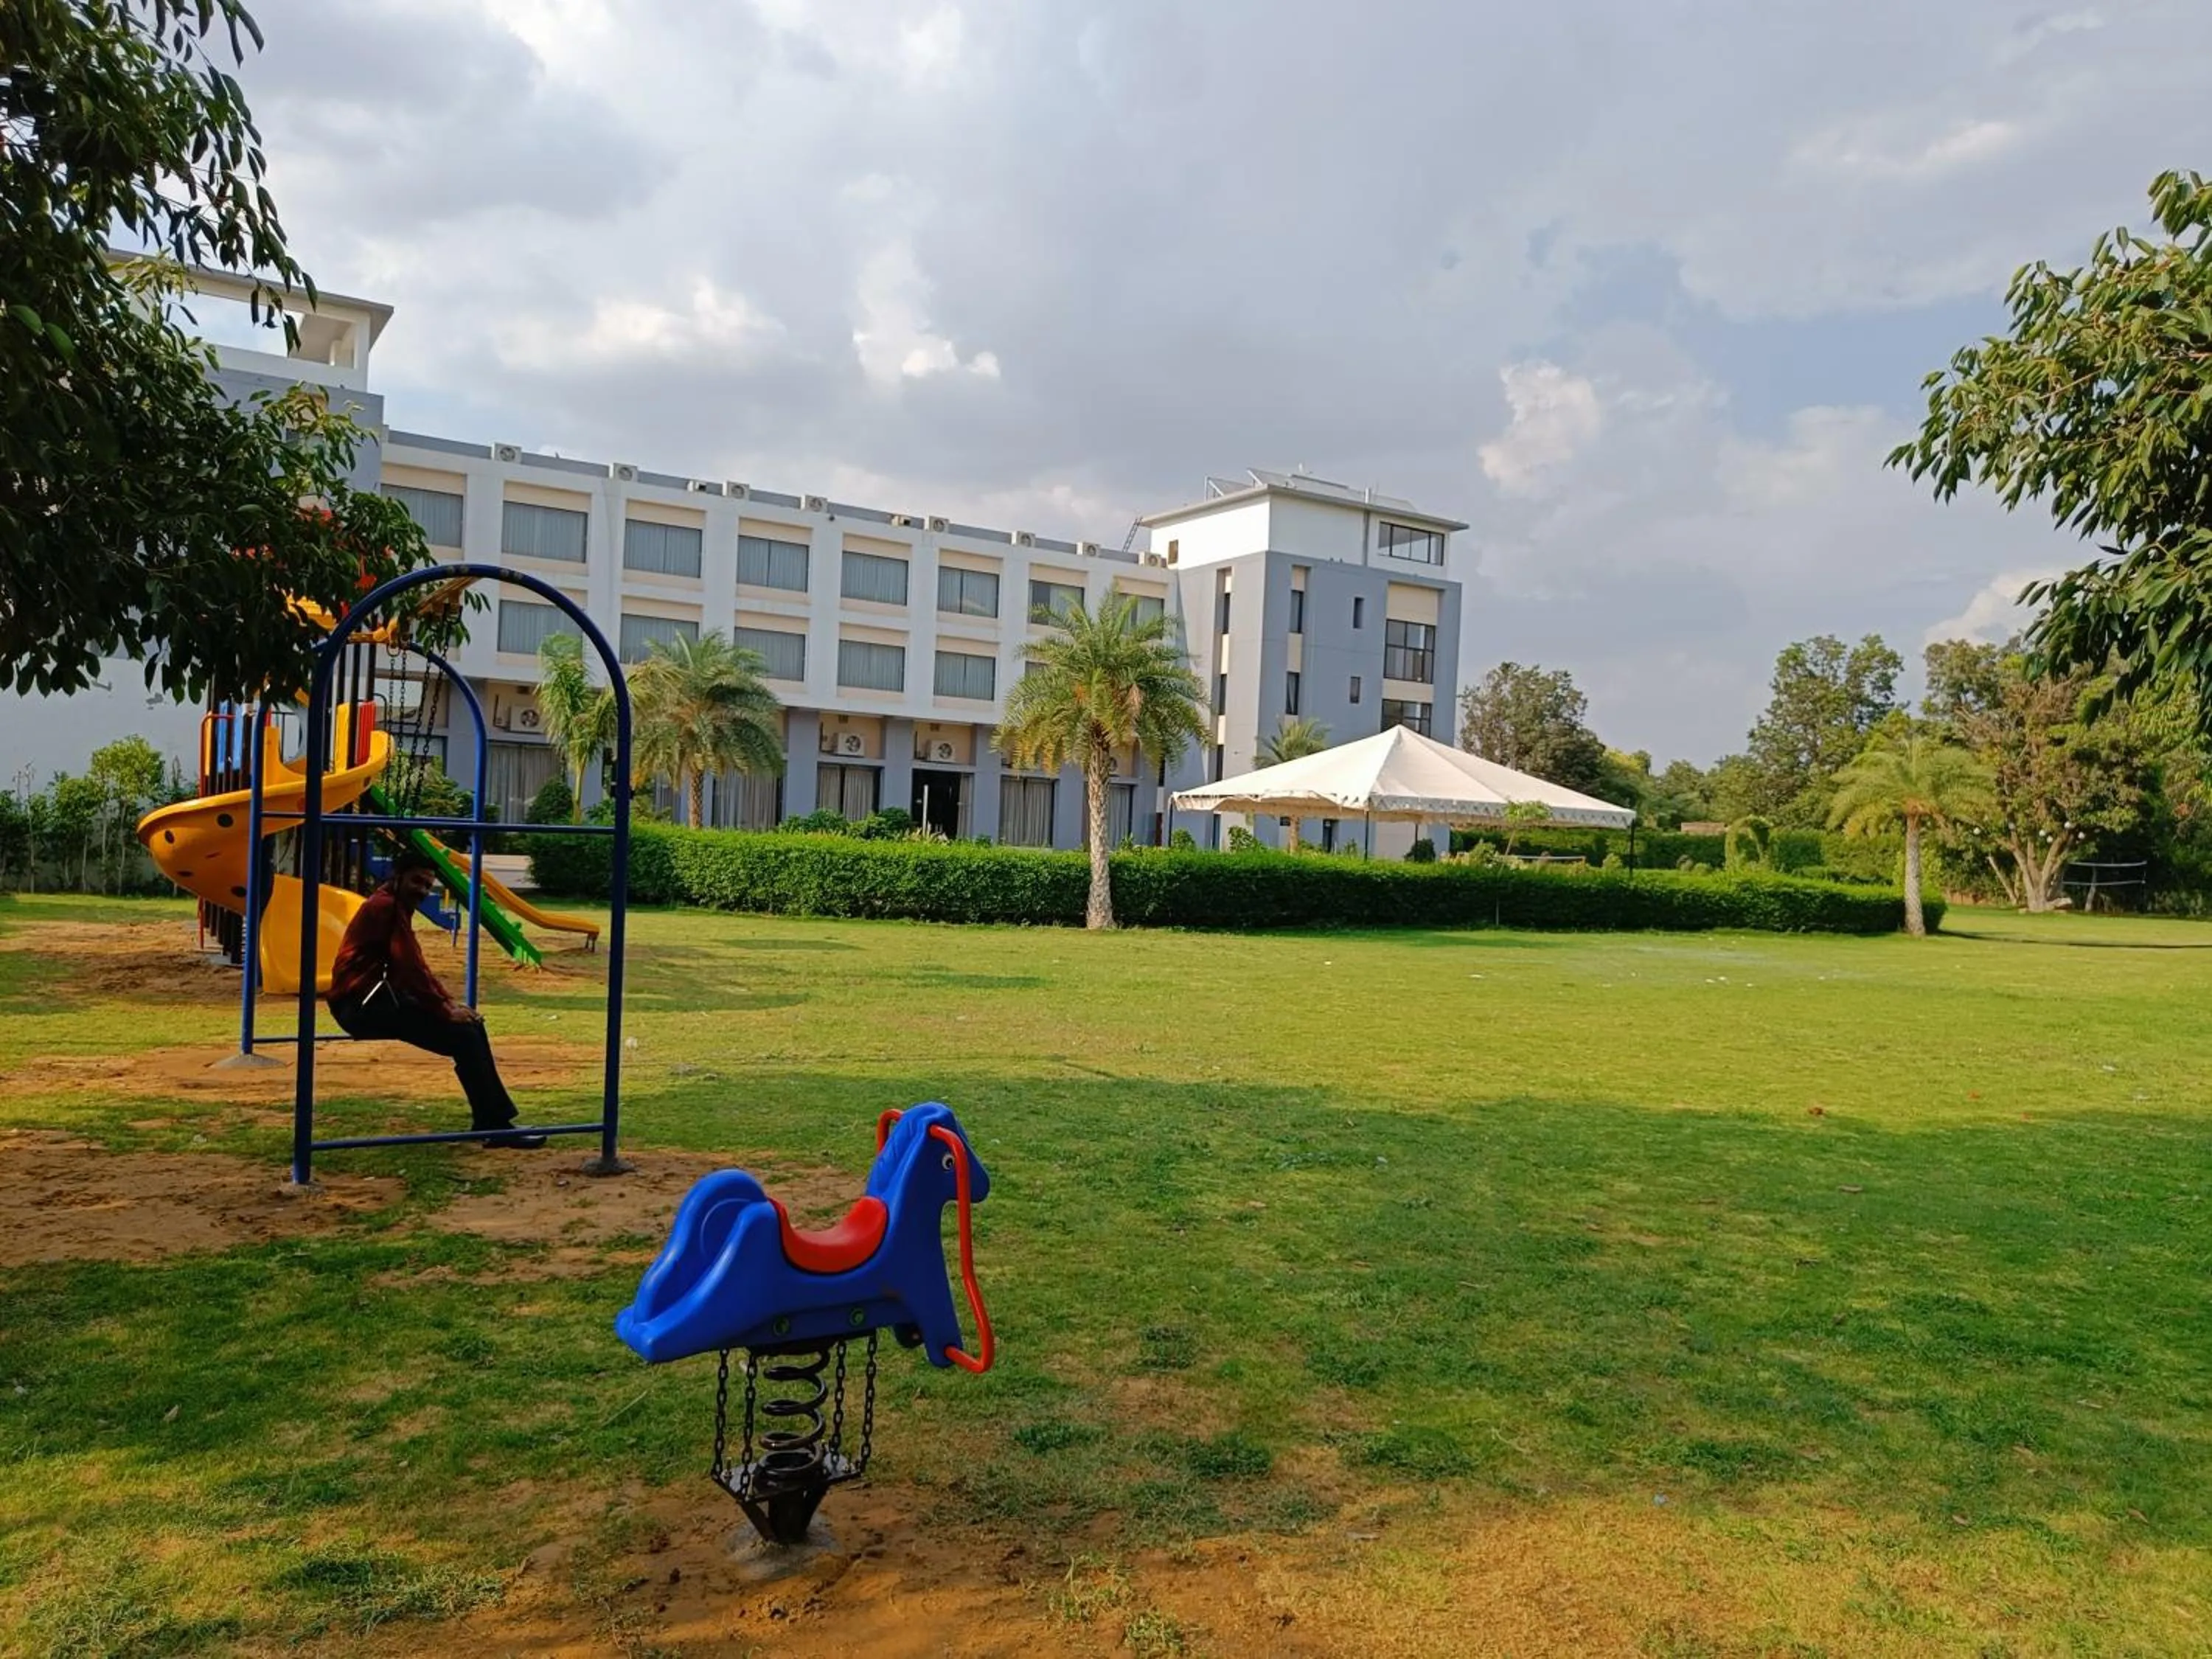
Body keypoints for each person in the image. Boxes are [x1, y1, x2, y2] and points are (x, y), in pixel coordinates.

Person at [327, 849, 546, 1148]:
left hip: (374, 999)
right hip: (361, 1006)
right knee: (465, 1038)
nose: (422, 890)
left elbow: (415, 967)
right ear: (398, 876)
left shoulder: (392, 904)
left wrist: (448, 1004)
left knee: (471, 1029)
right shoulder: (386, 908)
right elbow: (409, 967)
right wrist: (443, 1008)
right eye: (417, 881)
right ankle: (494, 1124)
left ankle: (492, 1120)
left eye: (428, 886)